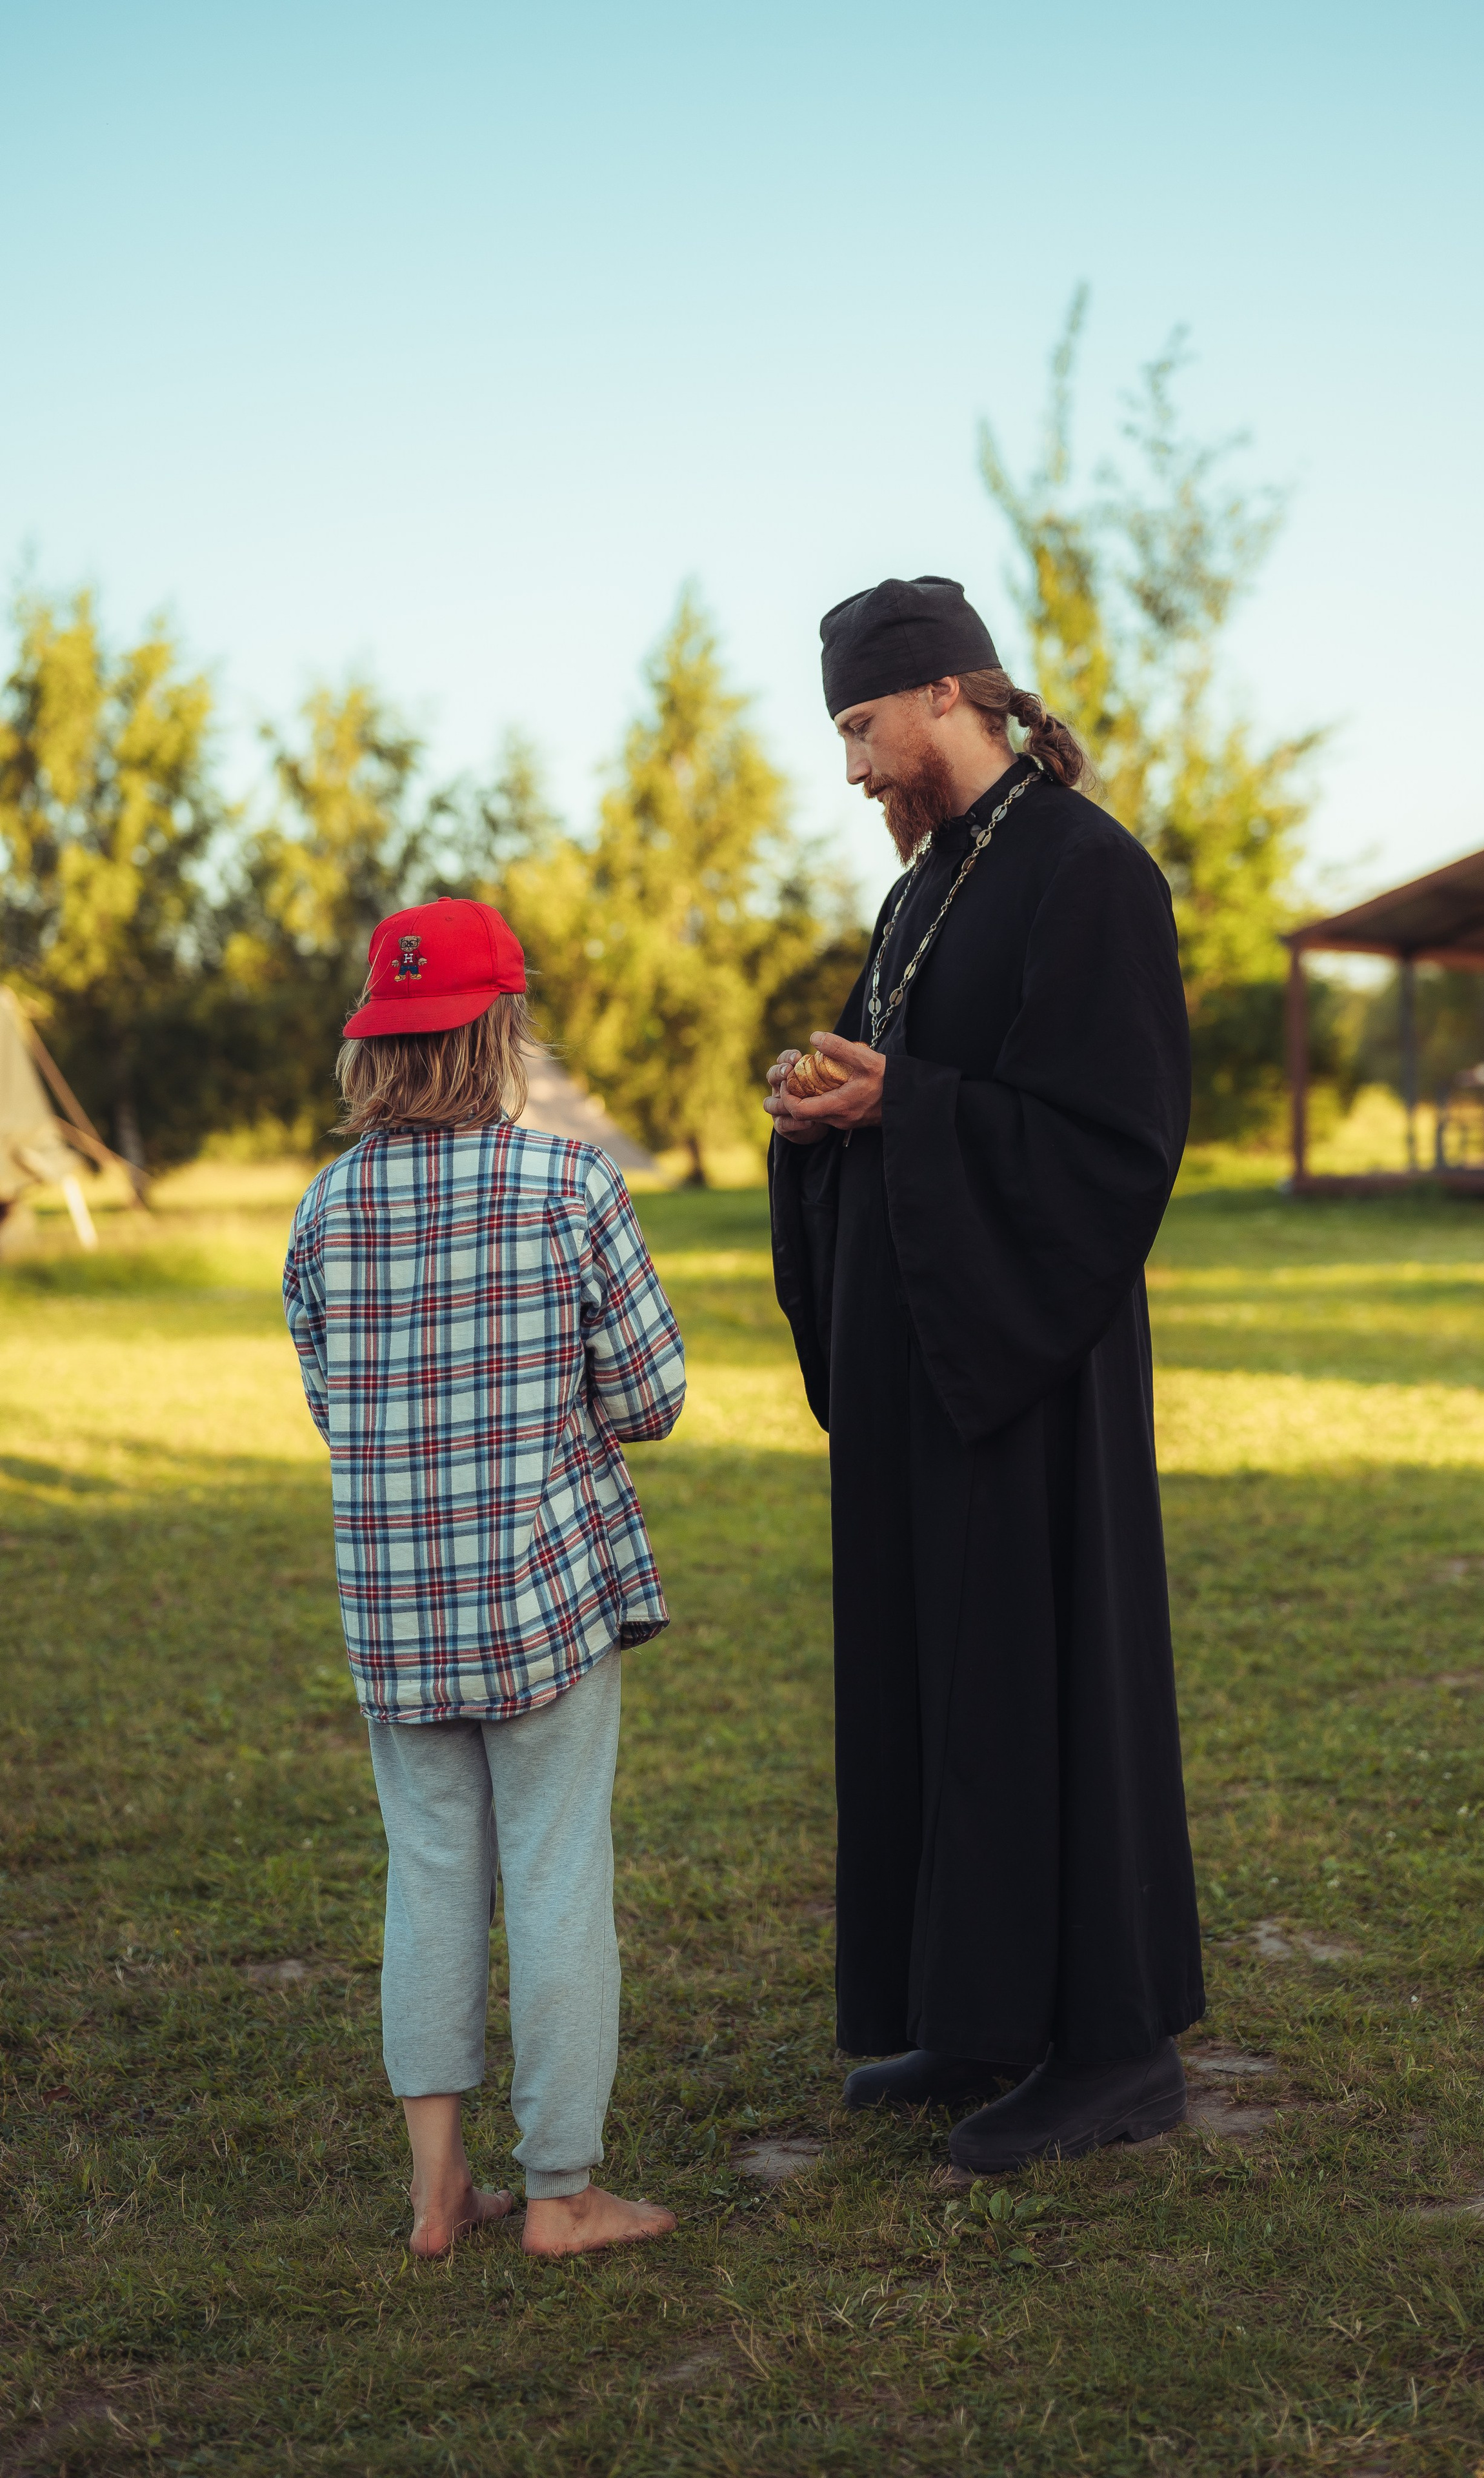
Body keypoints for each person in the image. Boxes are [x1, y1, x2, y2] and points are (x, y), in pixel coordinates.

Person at [765, 576, 1203, 2176]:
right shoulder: (924, 891)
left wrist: (915, 1109)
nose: (857, 768)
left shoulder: (1090, 876)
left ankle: (1110, 2048)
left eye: (863, 728)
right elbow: (923, 1082)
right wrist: (829, 1107)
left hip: (1029, 1363)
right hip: (921, 1357)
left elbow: (1112, 1139)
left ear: (949, 694)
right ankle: (974, 2009)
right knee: (937, 1678)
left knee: (1037, 1674)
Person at [283, 896, 685, 2256]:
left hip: (397, 1610)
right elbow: (649, 1395)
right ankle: (563, 2192)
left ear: (373, 1048)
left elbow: (337, 1405)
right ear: (505, 1029)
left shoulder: (325, 1209)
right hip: (543, 1595)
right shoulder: (572, 1187)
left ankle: (436, 2189)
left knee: (429, 1870)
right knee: (559, 1870)